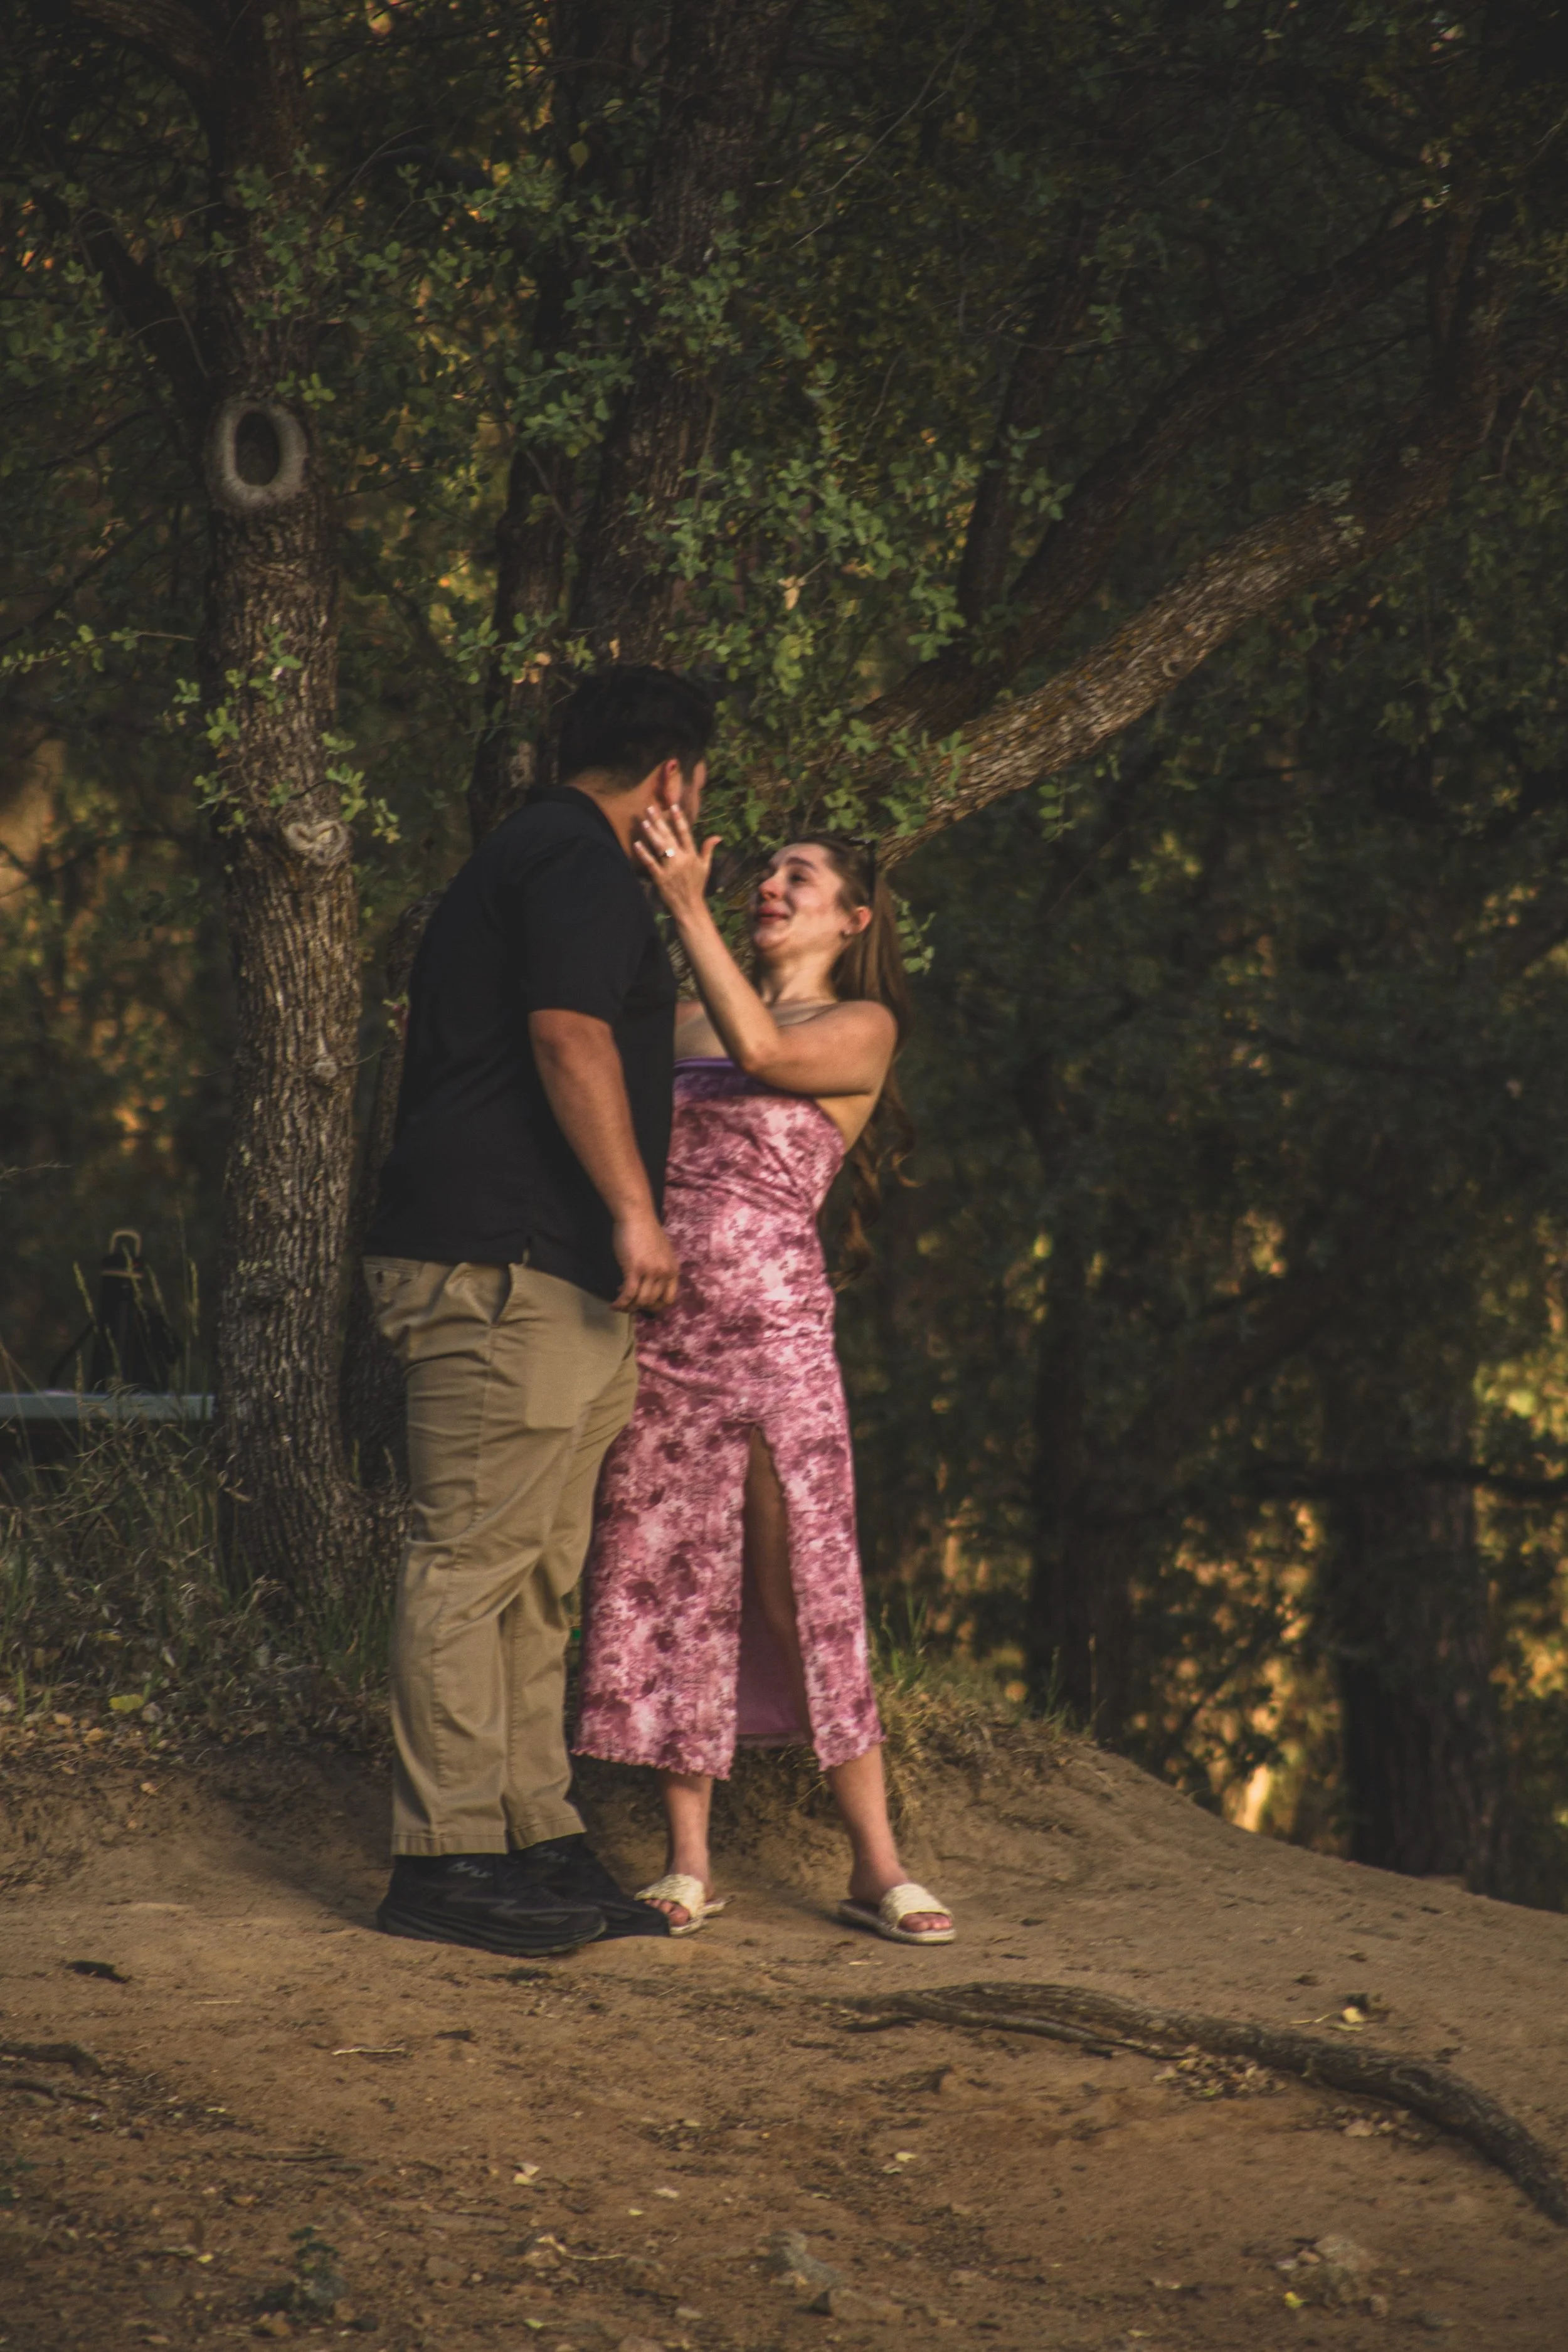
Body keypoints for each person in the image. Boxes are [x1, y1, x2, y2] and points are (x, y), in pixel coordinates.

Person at [362, 665, 712, 1956]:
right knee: (470, 1566)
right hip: (499, 1266)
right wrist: (636, 1210)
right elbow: (569, 1037)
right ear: (674, 777)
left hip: (549, 1279)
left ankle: (532, 1833)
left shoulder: (550, 856)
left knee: (538, 1574)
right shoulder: (569, 859)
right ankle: (443, 1859)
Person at [573, 808, 955, 1946]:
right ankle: (687, 1861)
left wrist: (685, 902)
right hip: (659, 1335)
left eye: (802, 876)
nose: (771, 886)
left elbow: (766, 1058)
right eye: (766, 873)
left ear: (855, 916)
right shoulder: (685, 1013)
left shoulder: (861, 1025)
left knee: (805, 1594)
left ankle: (874, 1863)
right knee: (670, 1578)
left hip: (778, 1338)